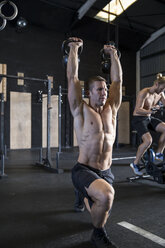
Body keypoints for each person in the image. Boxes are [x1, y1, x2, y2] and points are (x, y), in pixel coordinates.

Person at [67, 37, 122, 248]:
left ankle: (82, 195)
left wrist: (113, 54)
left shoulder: (112, 109)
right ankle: (97, 235)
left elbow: (117, 80)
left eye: (105, 89)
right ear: (88, 93)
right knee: (106, 196)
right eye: (99, 89)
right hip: (84, 169)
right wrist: (73, 48)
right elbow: (72, 77)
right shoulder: (80, 109)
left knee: (101, 205)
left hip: (106, 171)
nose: (104, 92)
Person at [130, 73, 165, 176]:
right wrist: (151, 110)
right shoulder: (144, 93)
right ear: (157, 84)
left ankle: (159, 153)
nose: (162, 91)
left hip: (149, 117)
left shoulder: (161, 93)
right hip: (139, 119)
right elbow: (137, 110)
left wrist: (153, 110)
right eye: (162, 88)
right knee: (148, 141)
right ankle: (135, 163)